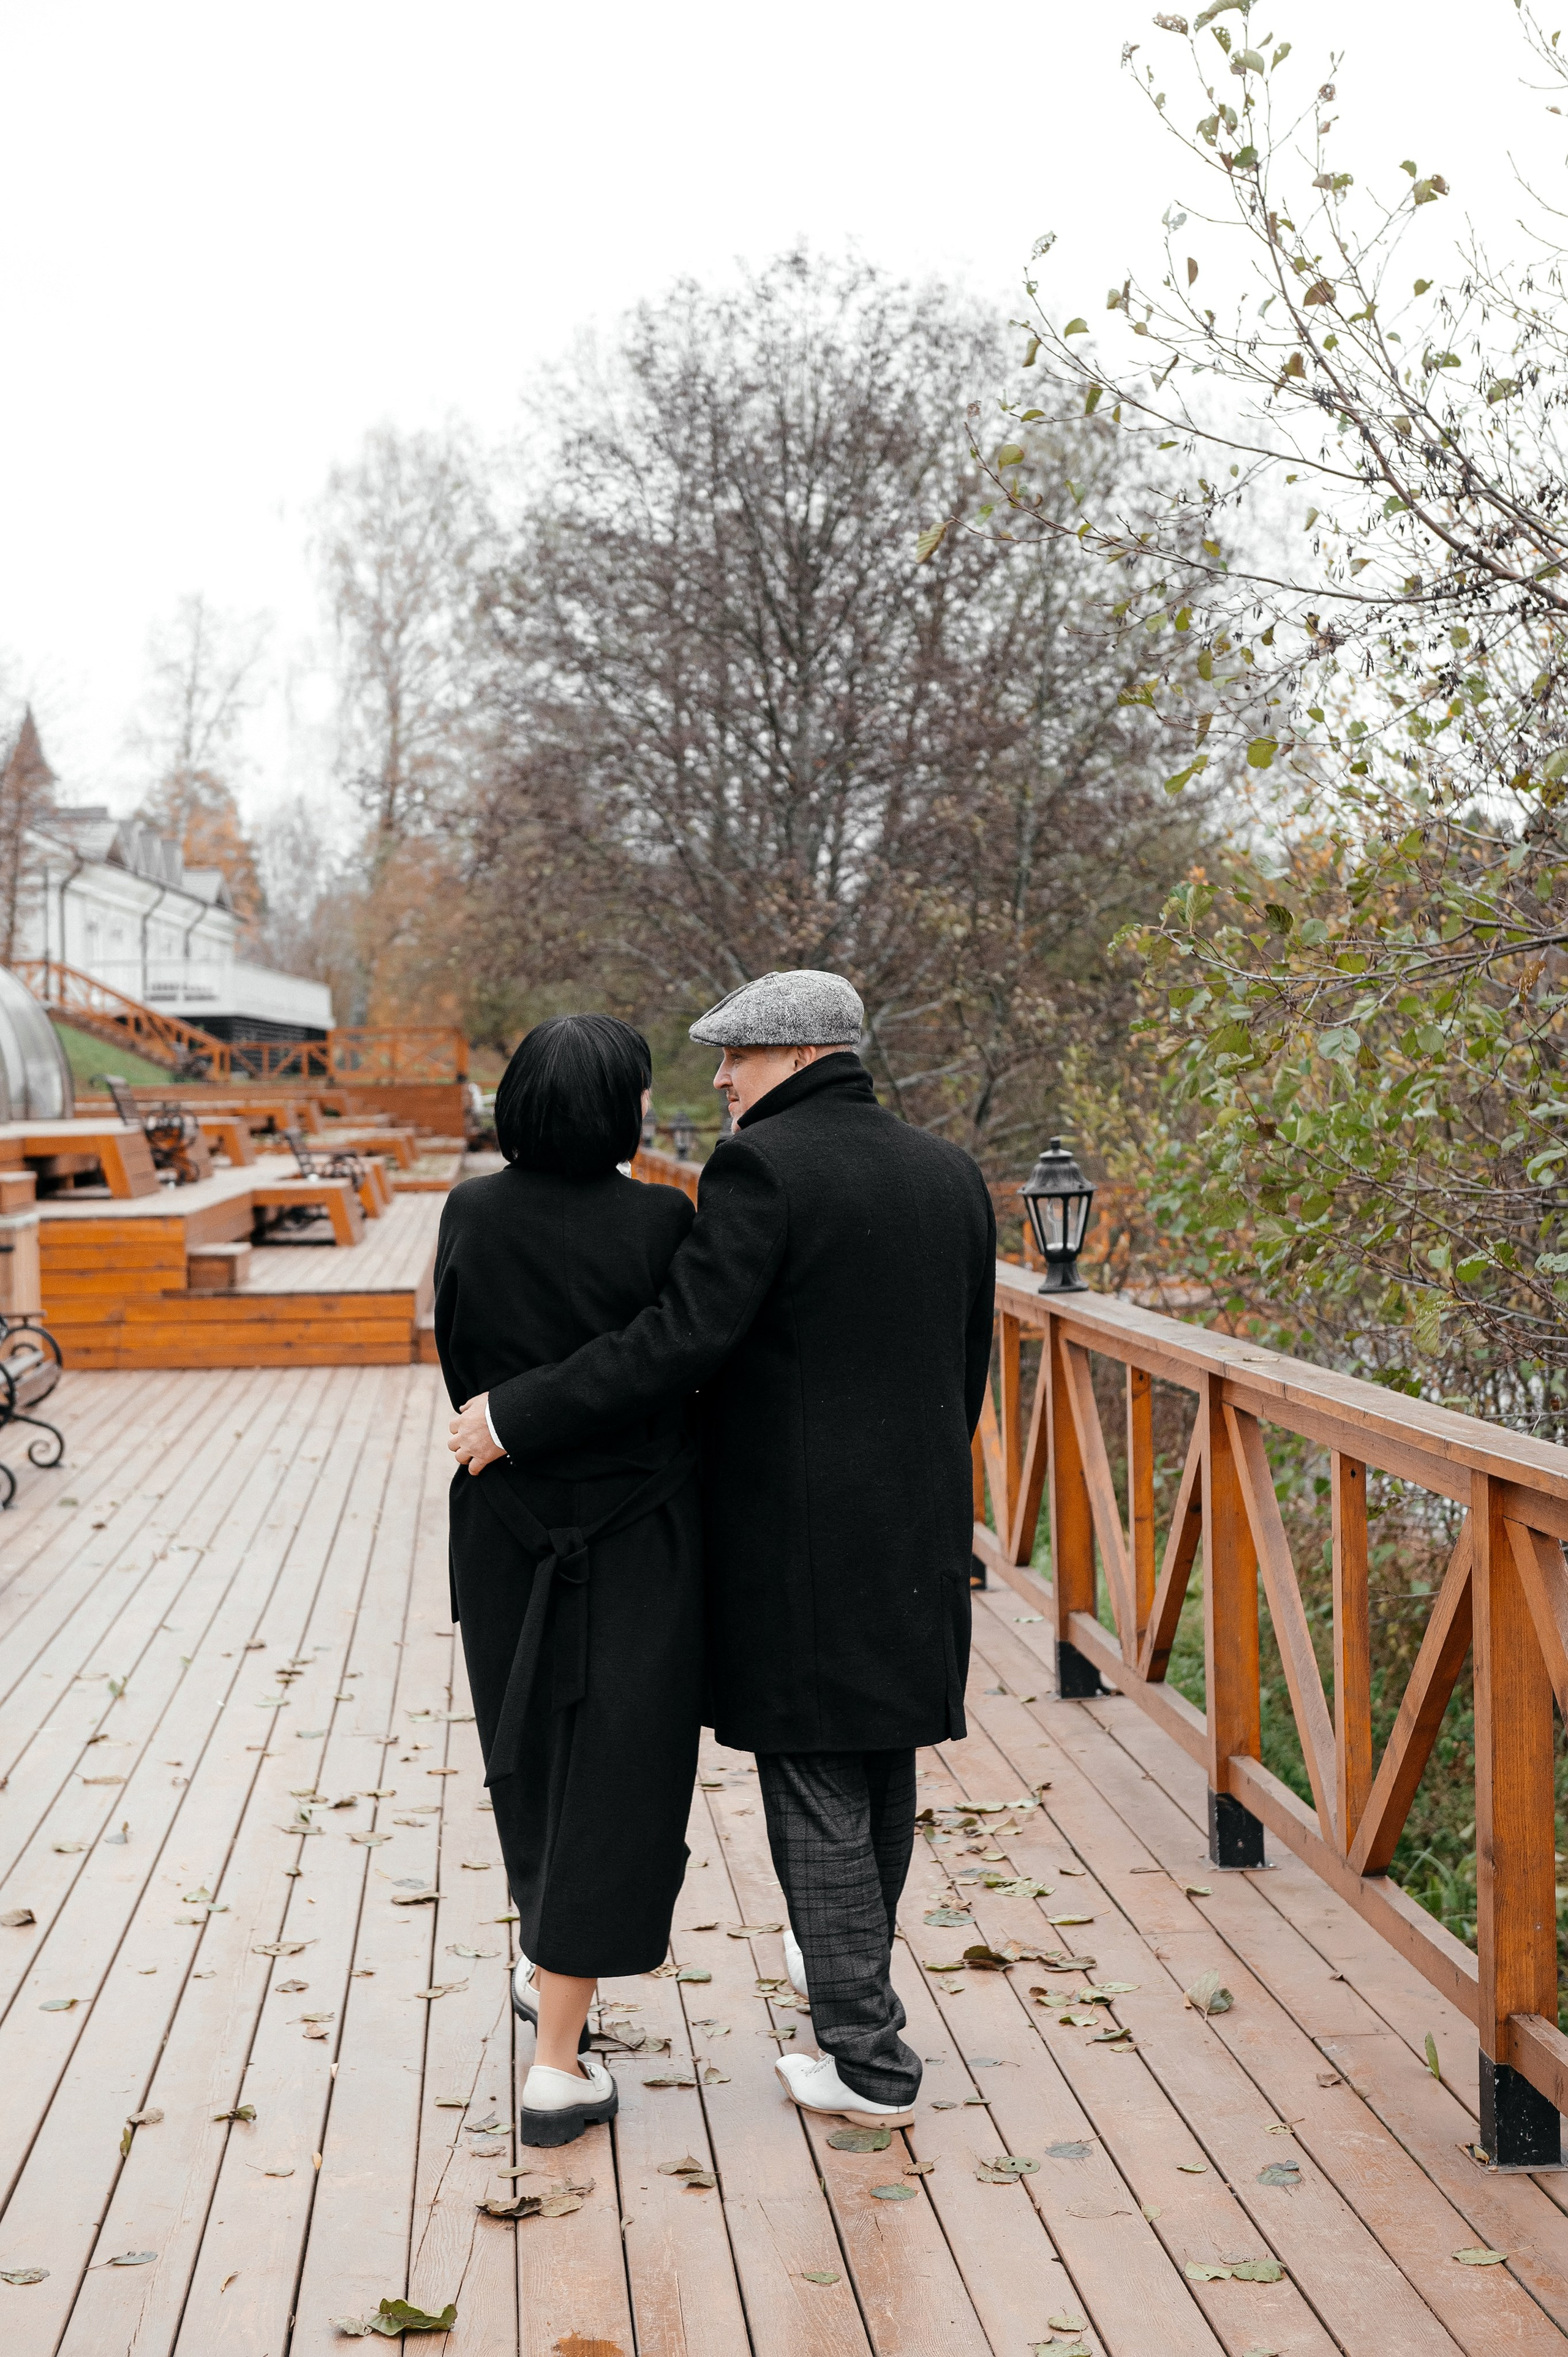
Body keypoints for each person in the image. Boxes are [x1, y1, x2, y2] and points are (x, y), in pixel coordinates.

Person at [450, 970, 995, 2131]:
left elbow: (678, 1341)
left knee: (813, 1775)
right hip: (917, 1525)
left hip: (799, 1537)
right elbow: (969, 1361)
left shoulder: (762, 1169)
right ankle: (847, 1974)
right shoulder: (950, 1171)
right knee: (880, 1762)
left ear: (795, 1055)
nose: (721, 1079)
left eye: (736, 1058)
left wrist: (515, 1413)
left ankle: (865, 2055)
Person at [433, 1014, 703, 2148]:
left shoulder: (470, 1211)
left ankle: (549, 1954)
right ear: (617, 1109)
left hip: (506, 1524)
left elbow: (460, 1363)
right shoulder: (663, 1220)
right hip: (635, 1532)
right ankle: (555, 2065)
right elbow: (677, 1376)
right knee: (617, 1775)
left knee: (531, 1756)